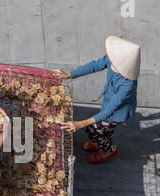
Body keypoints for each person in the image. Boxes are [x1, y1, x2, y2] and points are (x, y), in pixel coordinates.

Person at [54, 35, 141, 163]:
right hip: (108, 103)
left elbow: (109, 111)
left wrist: (80, 123)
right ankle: (99, 143)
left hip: (117, 112)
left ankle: (109, 149)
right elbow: (93, 66)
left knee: (95, 130)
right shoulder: (112, 60)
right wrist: (69, 75)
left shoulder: (127, 85)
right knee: (105, 130)